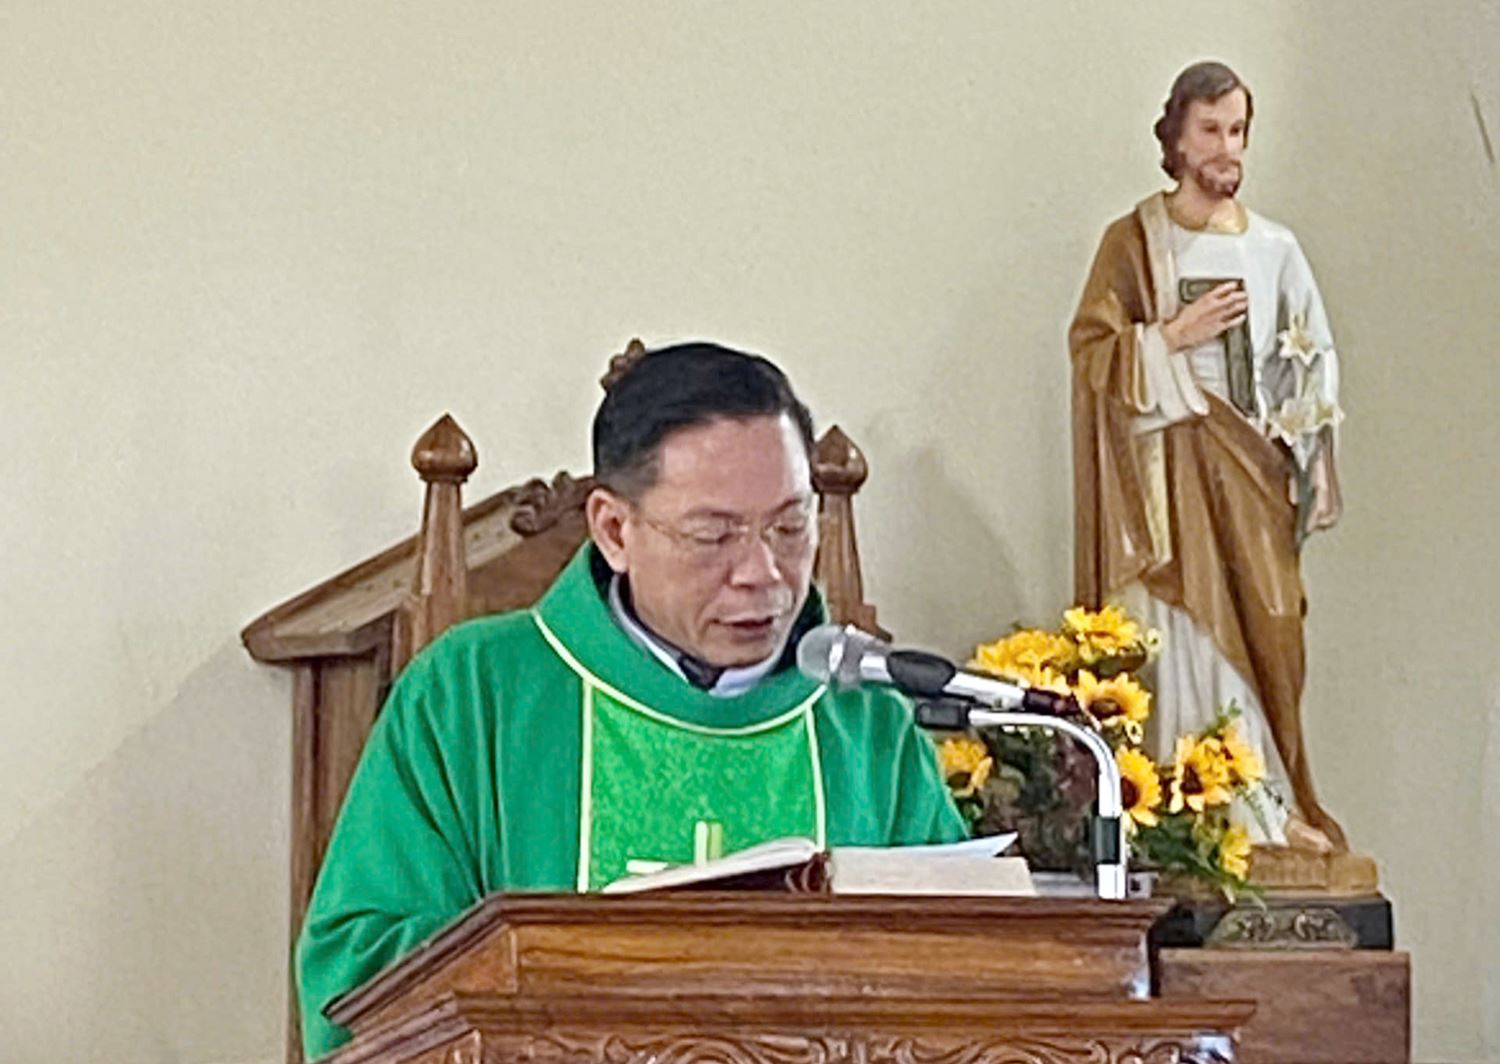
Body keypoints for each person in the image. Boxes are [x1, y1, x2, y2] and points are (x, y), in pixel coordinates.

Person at [295, 342, 966, 1057]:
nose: (763, 572)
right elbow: (357, 978)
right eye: (714, 535)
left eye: (791, 527)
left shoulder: (865, 717)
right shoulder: (468, 694)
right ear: (615, 530)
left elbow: (976, 972)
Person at [1068, 61, 1346, 849]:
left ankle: (1275, 800)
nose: (1227, 147)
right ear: (1178, 140)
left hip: (1253, 467)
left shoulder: (1274, 247)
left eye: (1238, 131)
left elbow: (1311, 360)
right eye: (1211, 130)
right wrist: (1170, 340)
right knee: (1180, 629)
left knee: (1273, 621)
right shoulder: (1132, 242)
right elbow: (1092, 354)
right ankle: (1212, 812)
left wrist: (1318, 462)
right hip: (1164, 473)